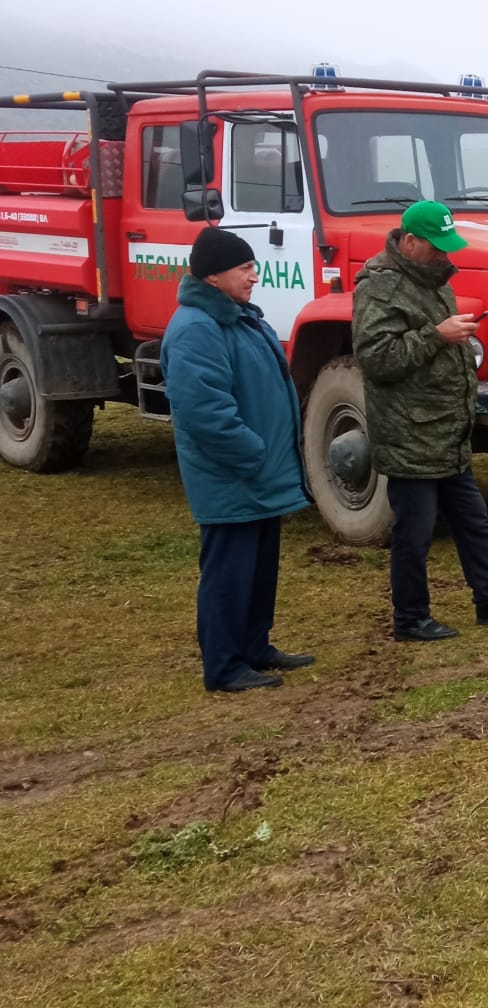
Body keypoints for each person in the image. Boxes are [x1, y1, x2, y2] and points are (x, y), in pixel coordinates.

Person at [353, 201, 488, 637]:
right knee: (415, 533)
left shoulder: (432, 279)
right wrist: (437, 335)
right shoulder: (380, 288)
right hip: (410, 433)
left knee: (473, 520)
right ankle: (410, 618)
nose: (445, 255)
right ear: (410, 242)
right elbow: (377, 358)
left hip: (447, 431)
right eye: (436, 246)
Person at [160, 228, 312, 692]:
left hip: (259, 474)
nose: (254, 275)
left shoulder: (241, 318)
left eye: (252, 266)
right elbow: (205, 412)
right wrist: (253, 453)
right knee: (228, 572)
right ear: (213, 275)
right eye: (244, 268)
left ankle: (253, 646)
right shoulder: (196, 329)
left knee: (259, 569)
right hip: (234, 475)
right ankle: (224, 666)